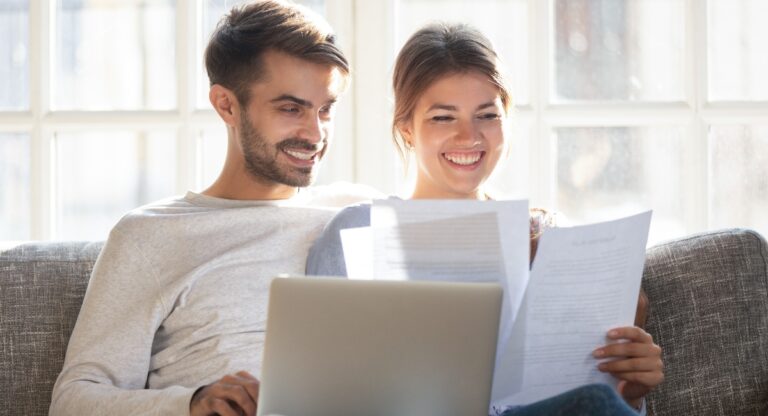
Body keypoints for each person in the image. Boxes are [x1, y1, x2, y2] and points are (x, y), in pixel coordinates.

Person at [306, 22, 663, 415]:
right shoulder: (355, 232)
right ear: (406, 128)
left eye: (486, 115)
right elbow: (314, 390)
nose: (469, 137)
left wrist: (632, 391)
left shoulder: (549, 236)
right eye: (443, 118)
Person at [49, 2, 381, 415]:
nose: (315, 133)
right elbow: (74, 400)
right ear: (226, 105)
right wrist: (193, 402)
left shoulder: (359, 216)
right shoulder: (151, 237)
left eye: (326, 109)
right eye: (291, 108)